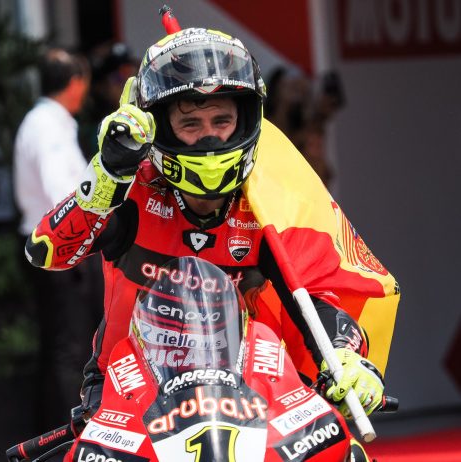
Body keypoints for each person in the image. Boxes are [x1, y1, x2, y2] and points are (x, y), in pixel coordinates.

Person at [23, 29, 396, 427]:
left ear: (245, 120)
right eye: (190, 123)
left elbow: (312, 295)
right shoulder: (132, 189)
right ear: (161, 126)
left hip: (245, 395)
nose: (208, 137)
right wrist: (106, 177)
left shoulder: (266, 202)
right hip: (125, 394)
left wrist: (344, 355)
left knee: (343, 450)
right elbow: (46, 251)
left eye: (222, 120)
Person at [13, 47, 103, 432]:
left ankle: (57, 434)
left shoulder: (45, 121)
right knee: (71, 349)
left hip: (57, 248)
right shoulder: (47, 125)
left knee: (62, 346)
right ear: (75, 83)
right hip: (59, 250)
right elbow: (61, 196)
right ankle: (71, 437)